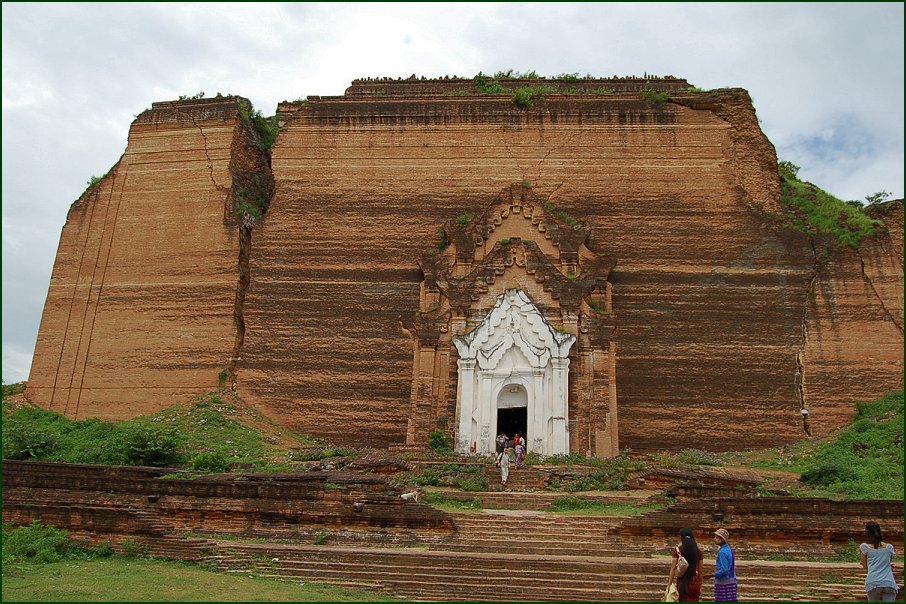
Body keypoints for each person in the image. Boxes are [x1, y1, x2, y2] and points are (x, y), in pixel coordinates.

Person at [860, 522, 898, 602]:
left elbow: (865, 566)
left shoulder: (864, 547)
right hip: (889, 582)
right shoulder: (889, 547)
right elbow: (888, 562)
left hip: (873, 582)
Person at [667, 528, 703, 602]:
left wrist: (669, 584)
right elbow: (700, 572)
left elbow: (673, 568)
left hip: (682, 583)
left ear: (681, 537)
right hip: (694, 582)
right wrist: (700, 585)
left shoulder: (678, 550)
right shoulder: (698, 552)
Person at [704, 528, 737, 602]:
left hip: (724, 583)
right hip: (731, 580)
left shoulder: (722, 552)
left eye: (716, 537)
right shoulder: (728, 549)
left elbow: (724, 570)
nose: (714, 539)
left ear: (722, 539)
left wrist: (711, 575)